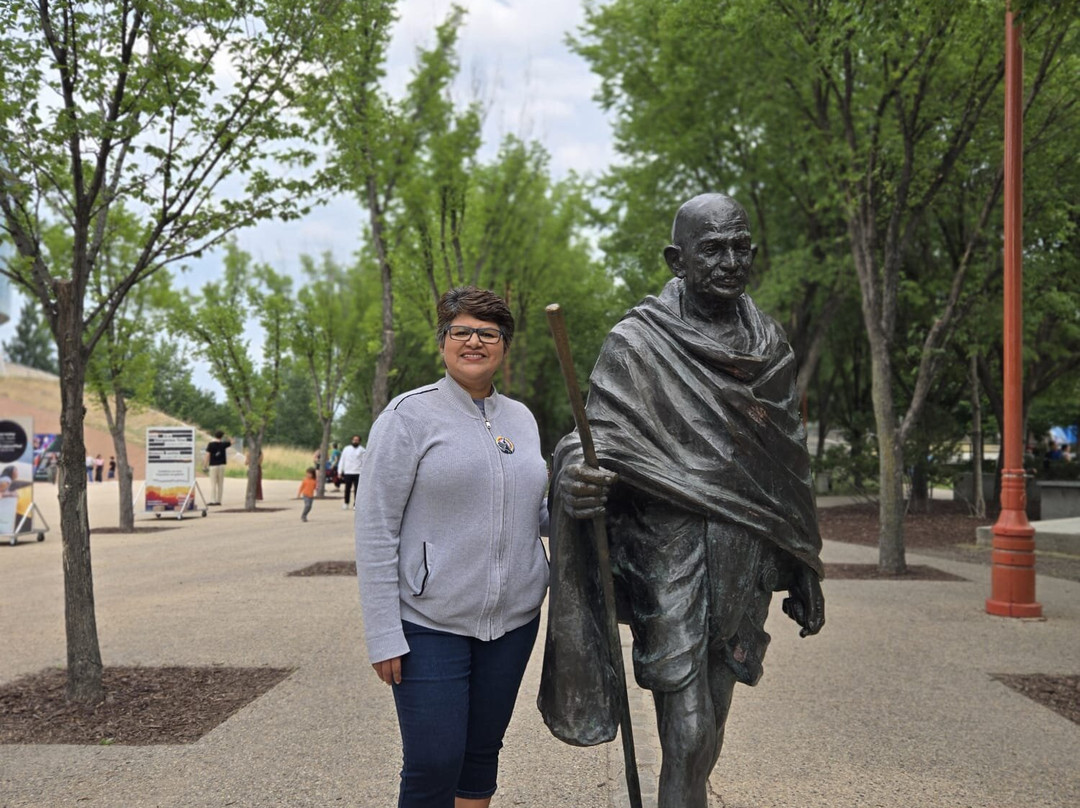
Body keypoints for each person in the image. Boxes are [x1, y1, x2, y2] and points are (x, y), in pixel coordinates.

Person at [538, 193, 825, 808]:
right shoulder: (636, 344)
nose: (730, 262)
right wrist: (575, 473)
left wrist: (802, 565)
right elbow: (597, 440)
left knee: (710, 728)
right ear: (677, 260)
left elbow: (786, 465)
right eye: (712, 249)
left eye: (740, 247)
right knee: (689, 734)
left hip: (744, 551)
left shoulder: (769, 344)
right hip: (667, 549)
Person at [355, 287, 550, 808]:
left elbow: (534, 510)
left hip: (513, 622)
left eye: (488, 333)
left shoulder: (522, 419)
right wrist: (382, 632)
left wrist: (580, 503)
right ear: (443, 342)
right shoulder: (408, 416)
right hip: (430, 621)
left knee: (481, 754)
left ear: (504, 346)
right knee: (434, 760)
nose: (474, 342)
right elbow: (375, 528)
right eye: (461, 331)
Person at [204, 431, 232, 506]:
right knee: (220, 483)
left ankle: (213, 500)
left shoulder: (211, 444)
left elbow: (207, 455)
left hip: (213, 465)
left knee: (213, 483)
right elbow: (232, 442)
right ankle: (219, 500)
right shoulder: (223, 444)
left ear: (214, 436)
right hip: (222, 465)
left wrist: (205, 465)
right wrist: (227, 436)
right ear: (221, 436)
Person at [338, 435, 365, 510]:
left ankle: (356, 504)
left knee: (357, 490)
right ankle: (346, 503)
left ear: (359, 441)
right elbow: (342, 460)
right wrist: (340, 471)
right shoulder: (346, 449)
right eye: (354, 440)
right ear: (352, 440)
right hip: (348, 472)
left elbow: (364, 462)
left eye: (357, 440)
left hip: (358, 472)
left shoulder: (362, 450)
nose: (355, 441)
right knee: (347, 488)